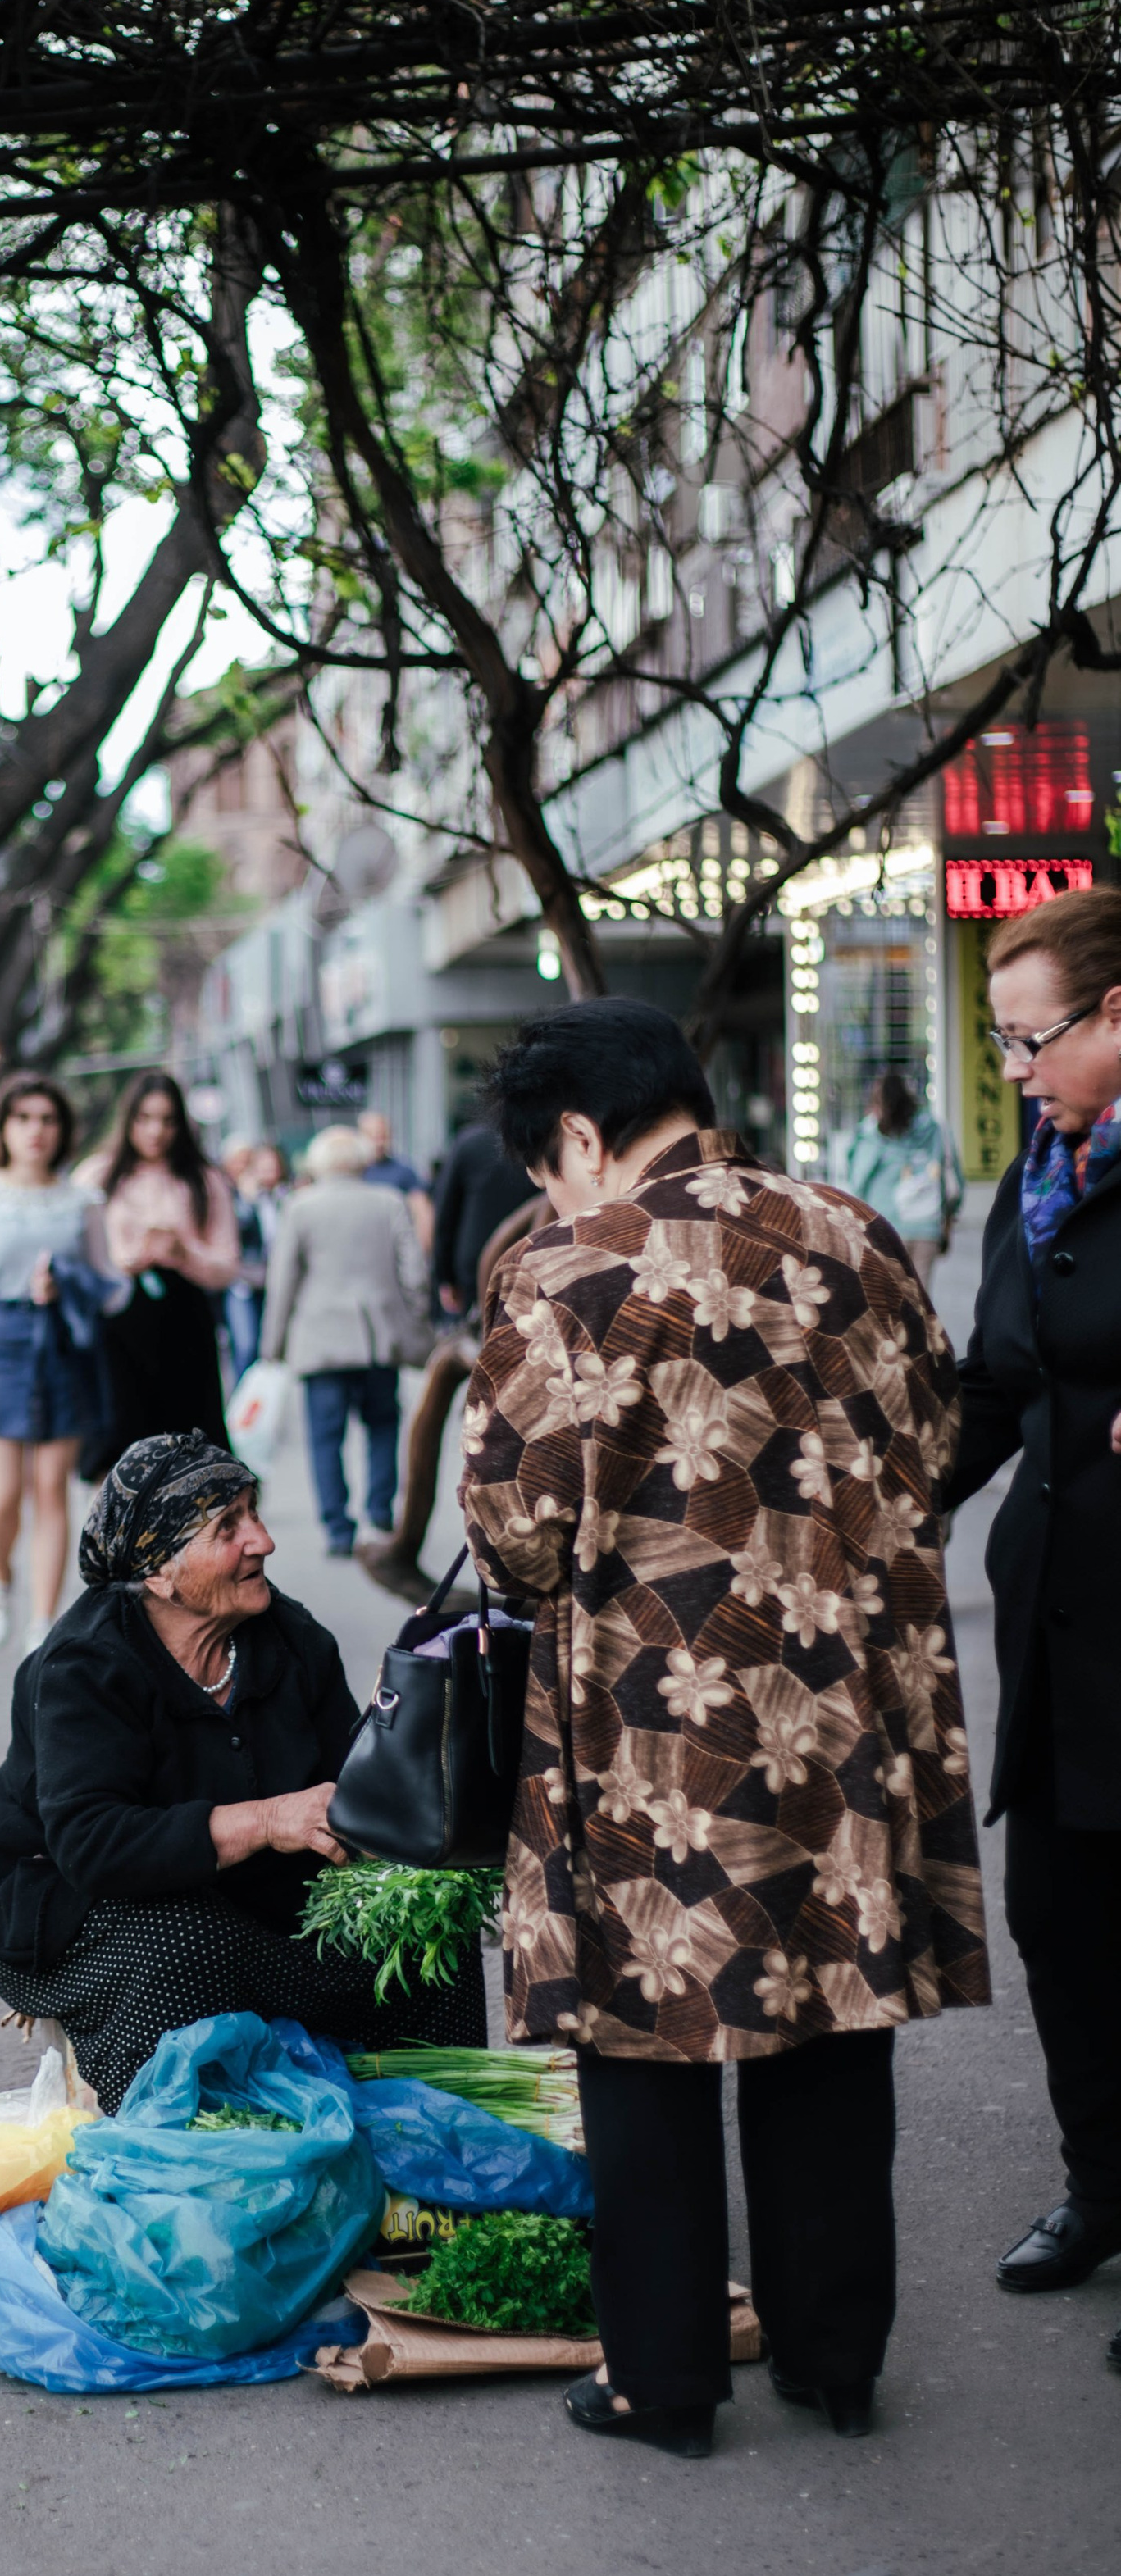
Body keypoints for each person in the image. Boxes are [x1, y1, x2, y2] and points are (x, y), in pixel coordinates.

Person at [458, 999, 986, 2458]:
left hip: (652, 1726)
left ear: (578, 1136)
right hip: (841, 1702)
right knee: (828, 2016)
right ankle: (835, 2361)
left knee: (644, 2038)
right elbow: (939, 1445)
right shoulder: (854, 1234)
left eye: (547, 1169)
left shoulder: (567, 1272)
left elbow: (513, 1531)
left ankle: (665, 2381)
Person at [0, 1431, 488, 2110]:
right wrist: (269, 1821)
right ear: (158, 1571)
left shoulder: (293, 1641)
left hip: (249, 1896)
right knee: (188, 1949)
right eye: (227, 1528)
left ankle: (431, 2124)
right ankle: (200, 2156)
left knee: (426, 1924)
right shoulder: (84, 1668)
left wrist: (404, 1734)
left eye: (254, 1513)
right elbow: (93, 1843)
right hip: (72, 1897)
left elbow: (343, 1796)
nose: (261, 1541)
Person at [943, 886, 1121, 2360]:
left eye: (1035, 1038)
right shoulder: (1038, 1179)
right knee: (1060, 1917)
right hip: (1055, 1622)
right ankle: (1100, 2186)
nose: (1015, 1069)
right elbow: (996, 1389)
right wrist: (876, 1508)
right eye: (1001, 1043)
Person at [0, 1071, 124, 1653]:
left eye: (48, 1120)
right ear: (4, 1127)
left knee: (51, 1487)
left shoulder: (83, 1201)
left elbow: (112, 1290)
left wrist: (72, 1285)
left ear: (63, 1130)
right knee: (1, 1491)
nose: (36, 1132)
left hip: (60, 1344)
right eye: (24, 1119)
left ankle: (42, 1625)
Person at [261, 1123, 431, 1555]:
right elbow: (414, 1272)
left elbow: (283, 1282)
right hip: (378, 1340)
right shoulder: (388, 1201)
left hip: (321, 1342)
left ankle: (337, 1528)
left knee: (325, 1437)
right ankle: (379, 1512)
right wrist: (415, 1317)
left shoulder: (300, 1207)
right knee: (382, 1425)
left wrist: (272, 1345)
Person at [93, 1070, 239, 1471]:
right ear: (129, 1120)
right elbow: (83, 1258)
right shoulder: (99, 1176)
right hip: (120, 1320)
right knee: (124, 1444)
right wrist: (125, 1258)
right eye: (145, 1118)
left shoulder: (204, 1180)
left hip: (184, 1321)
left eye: (168, 1120)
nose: (156, 1131)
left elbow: (228, 1266)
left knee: (191, 1446)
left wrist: (184, 1252)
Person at [834, 1070, 962, 1287]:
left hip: (883, 1230)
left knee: (888, 1303)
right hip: (926, 1229)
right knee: (920, 1305)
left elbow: (856, 1184)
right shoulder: (934, 1129)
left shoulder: (870, 1137)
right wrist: (947, 1224)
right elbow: (954, 1184)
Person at [431, 1116, 541, 1318]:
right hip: (531, 1258)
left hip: (475, 1264)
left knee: (479, 1335)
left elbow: (445, 1215)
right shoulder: (540, 1138)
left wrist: (444, 1276)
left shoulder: (469, 1142)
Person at [220, 1138, 278, 1380]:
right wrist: (246, 1201)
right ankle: (241, 1406)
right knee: (245, 1344)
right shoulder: (226, 1194)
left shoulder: (267, 1196)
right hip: (240, 1281)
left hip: (267, 1278)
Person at [358, 1108, 435, 1258]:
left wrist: (421, 1253)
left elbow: (422, 1212)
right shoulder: (354, 1172)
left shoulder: (405, 1171)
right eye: (372, 1136)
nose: (378, 1142)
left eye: (383, 1136)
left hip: (395, 1250)